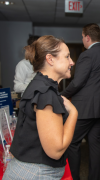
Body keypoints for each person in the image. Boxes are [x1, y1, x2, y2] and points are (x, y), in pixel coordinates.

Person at [3, 35, 78, 179]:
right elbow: (56, 151)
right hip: (35, 173)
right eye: (67, 56)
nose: (72, 62)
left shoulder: (39, 84)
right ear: (50, 59)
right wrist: (74, 113)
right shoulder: (45, 93)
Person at [61, 23, 100, 180]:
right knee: (95, 143)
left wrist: (61, 95)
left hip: (85, 109)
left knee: (73, 143)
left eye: (82, 37)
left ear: (87, 37)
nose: (82, 39)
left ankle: (74, 178)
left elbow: (78, 82)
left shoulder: (87, 55)